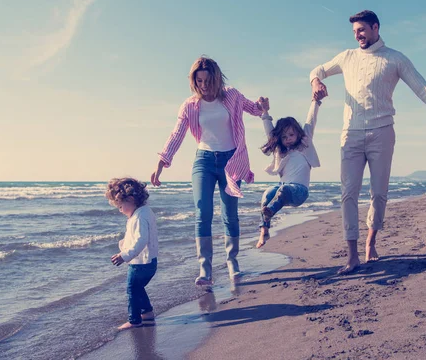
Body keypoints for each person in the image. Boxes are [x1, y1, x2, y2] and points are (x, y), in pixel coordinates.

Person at [309, 10, 426, 275]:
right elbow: (319, 70)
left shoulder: (394, 58)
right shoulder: (347, 57)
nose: (357, 35)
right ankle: (352, 255)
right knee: (348, 193)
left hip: (382, 133)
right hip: (350, 134)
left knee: (379, 193)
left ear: (375, 27)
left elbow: (422, 88)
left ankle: (371, 241)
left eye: (361, 30)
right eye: (354, 32)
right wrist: (316, 81)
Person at [151, 56, 267, 286]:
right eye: (199, 81)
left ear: (216, 78)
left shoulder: (231, 95)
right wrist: (162, 161)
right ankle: (205, 270)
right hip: (203, 161)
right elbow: (177, 134)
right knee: (202, 212)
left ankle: (233, 263)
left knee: (229, 214)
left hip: (231, 161)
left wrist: (262, 105)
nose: (203, 85)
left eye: (207, 80)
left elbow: (253, 109)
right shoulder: (190, 105)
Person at [255, 91, 326, 248]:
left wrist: (316, 102)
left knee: (284, 189)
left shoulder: (305, 143)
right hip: (283, 190)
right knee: (267, 194)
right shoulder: (280, 150)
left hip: (299, 192)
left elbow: (311, 120)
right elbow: (269, 131)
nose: (288, 139)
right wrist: (265, 112)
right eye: (284, 137)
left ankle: (271, 211)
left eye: (291, 135)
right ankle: (264, 230)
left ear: (298, 133)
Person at [105, 177, 159, 331]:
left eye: (121, 206)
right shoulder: (144, 211)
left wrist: (125, 255)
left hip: (140, 263)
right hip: (150, 261)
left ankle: (134, 320)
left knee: (132, 289)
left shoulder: (139, 217)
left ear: (130, 199)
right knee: (138, 288)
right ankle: (147, 312)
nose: (120, 210)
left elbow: (141, 240)